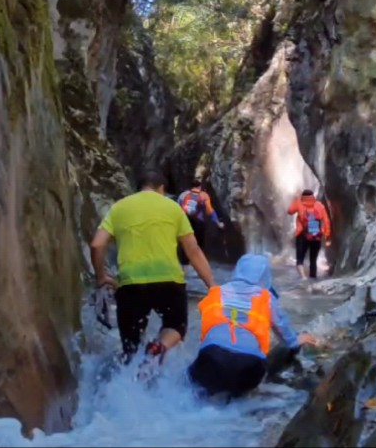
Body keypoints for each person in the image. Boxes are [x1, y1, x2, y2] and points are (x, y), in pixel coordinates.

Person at [89, 171, 216, 367]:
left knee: (130, 347)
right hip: (169, 282)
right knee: (175, 327)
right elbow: (193, 251)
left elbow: (97, 245)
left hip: (130, 284)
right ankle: (160, 346)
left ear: (138, 188)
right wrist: (212, 286)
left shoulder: (119, 208)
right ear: (161, 189)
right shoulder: (173, 208)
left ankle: (130, 384)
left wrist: (101, 277)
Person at [188, 253, 317, 400]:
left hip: (212, 358)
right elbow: (282, 328)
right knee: (241, 392)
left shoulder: (216, 292)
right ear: (265, 276)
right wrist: (296, 340)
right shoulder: (266, 297)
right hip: (248, 367)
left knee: (192, 378)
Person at [176, 178, 225, 264]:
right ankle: (197, 266)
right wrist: (218, 222)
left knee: (185, 245)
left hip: (185, 222)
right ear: (199, 187)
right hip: (199, 223)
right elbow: (210, 211)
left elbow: (177, 210)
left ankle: (185, 267)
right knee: (198, 246)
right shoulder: (203, 195)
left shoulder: (182, 195)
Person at [286, 189, 331, 279]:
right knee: (313, 260)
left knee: (300, 259)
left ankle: (303, 278)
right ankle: (313, 279)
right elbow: (326, 222)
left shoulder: (299, 203)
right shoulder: (320, 206)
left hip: (302, 235)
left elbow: (290, 211)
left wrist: (295, 200)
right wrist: (327, 237)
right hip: (316, 236)